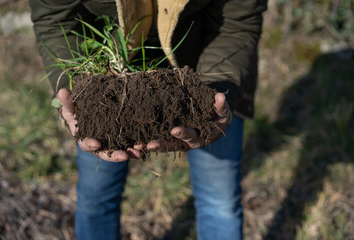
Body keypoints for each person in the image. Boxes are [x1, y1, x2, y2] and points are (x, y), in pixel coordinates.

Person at [29, 0, 267, 239]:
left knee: (219, 201)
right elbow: (55, 17)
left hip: (207, 71)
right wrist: (76, 89)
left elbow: (236, 23)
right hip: (105, 85)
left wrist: (216, 93)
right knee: (96, 199)